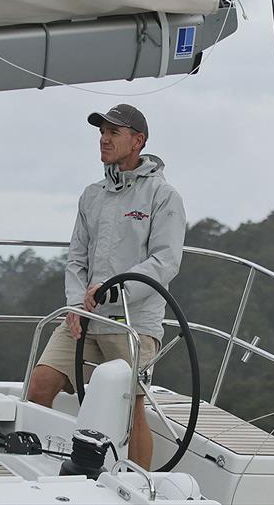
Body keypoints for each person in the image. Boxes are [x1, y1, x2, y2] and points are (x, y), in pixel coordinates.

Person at [27, 103, 186, 470]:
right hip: (84, 319)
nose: (104, 138)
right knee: (39, 385)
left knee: (130, 408)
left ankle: (139, 487)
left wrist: (114, 291)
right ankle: (38, 472)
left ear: (138, 141)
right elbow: (76, 258)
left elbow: (166, 262)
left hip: (133, 324)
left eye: (114, 132)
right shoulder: (91, 195)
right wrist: (73, 306)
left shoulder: (164, 197)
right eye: (102, 132)